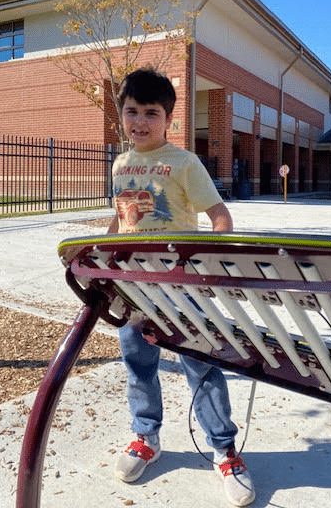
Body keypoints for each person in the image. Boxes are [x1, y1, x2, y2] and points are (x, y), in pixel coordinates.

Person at [107, 68, 256, 507]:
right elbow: (124, 220)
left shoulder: (185, 163)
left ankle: (224, 451)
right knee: (139, 365)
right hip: (135, 288)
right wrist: (101, 257)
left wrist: (212, 268)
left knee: (202, 367)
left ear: (168, 119)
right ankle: (145, 438)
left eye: (150, 112)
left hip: (182, 287)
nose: (139, 121)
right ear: (121, 115)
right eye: (131, 111)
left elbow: (219, 216)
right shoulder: (121, 164)